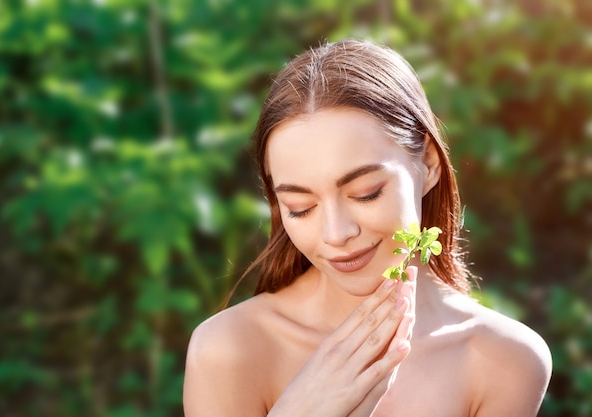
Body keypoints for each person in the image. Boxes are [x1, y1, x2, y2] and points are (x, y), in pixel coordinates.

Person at [183, 39, 552, 416]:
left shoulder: (503, 361)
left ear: (428, 163)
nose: (335, 234)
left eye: (365, 193)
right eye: (301, 208)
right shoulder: (230, 350)